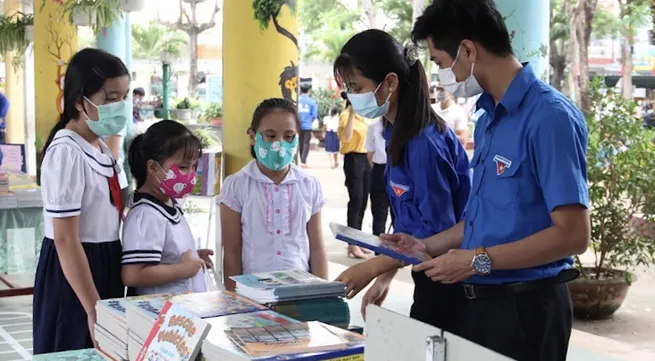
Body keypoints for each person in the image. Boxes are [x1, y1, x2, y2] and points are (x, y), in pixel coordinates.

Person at [394, 1, 590, 360]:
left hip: (527, 309)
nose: (441, 76)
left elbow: (573, 235)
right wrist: (423, 245)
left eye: (440, 63)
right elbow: (480, 221)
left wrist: (476, 261)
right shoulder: (488, 117)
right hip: (480, 306)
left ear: (468, 49)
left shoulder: (549, 117)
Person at [334, 29, 471, 332]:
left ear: (391, 83)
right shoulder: (393, 132)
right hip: (429, 276)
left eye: (357, 87)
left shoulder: (424, 143)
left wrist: (372, 267)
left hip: (452, 284)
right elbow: (410, 225)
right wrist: (385, 277)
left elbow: (436, 233)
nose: (352, 97)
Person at [33, 48, 130, 354]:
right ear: (79, 101)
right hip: (74, 274)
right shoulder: (67, 152)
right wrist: (92, 308)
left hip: (105, 262)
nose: (120, 107)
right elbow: (64, 239)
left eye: (124, 97)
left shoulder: (100, 147)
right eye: (111, 98)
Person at [219, 98, 328, 291]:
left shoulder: (309, 184)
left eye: (288, 136)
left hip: (301, 291)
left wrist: (324, 294)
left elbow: (317, 248)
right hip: (253, 293)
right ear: (253, 137)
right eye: (270, 136)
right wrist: (233, 299)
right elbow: (232, 252)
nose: (279, 144)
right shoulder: (236, 185)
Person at [121, 120, 213, 296]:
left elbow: (165, 256)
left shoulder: (167, 203)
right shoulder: (146, 214)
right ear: (153, 168)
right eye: (183, 167)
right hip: (161, 316)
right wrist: (183, 269)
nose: (191, 175)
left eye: (194, 167)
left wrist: (195, 257)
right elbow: (132, 274)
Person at [337, 93, 372, 259]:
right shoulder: (345, 116)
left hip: (365, 158)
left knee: (364, 200)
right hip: (353, 159)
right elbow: (348, 137)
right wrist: (351, 112)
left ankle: (358, 240)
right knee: (356, 200)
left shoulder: (363, 117)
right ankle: (352, 243)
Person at [365, 117, 393, 236]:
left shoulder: (374, 125)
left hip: (381, 169)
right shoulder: (374, 125)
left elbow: (370, 154)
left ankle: (379, 249)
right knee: (392, 212)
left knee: (380, 213)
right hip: (391, 170)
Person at [298, 85, 318, 167]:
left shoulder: (297, 100)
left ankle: (301, 160)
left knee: (300, 142)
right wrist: (310, 120)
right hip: (307, 125)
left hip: (298, 125)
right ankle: (303, 161)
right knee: (306, 143)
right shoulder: (312, 101)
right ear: (308, 91)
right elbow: (314, 114)